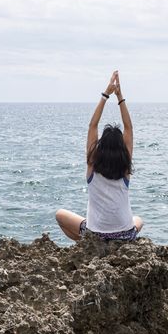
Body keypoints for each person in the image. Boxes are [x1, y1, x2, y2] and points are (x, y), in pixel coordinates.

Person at [56, 71, 143, 241]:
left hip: (95, 235)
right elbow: (129, 128)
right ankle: (110, 244)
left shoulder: (92, 164)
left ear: (100, 146)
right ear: (122, 150)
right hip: (125, 236)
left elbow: (92, 126)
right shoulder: (125, 167)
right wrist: (120, 96)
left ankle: (87, 246)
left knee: (60, 215)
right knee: (139, 220)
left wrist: (106, 95)